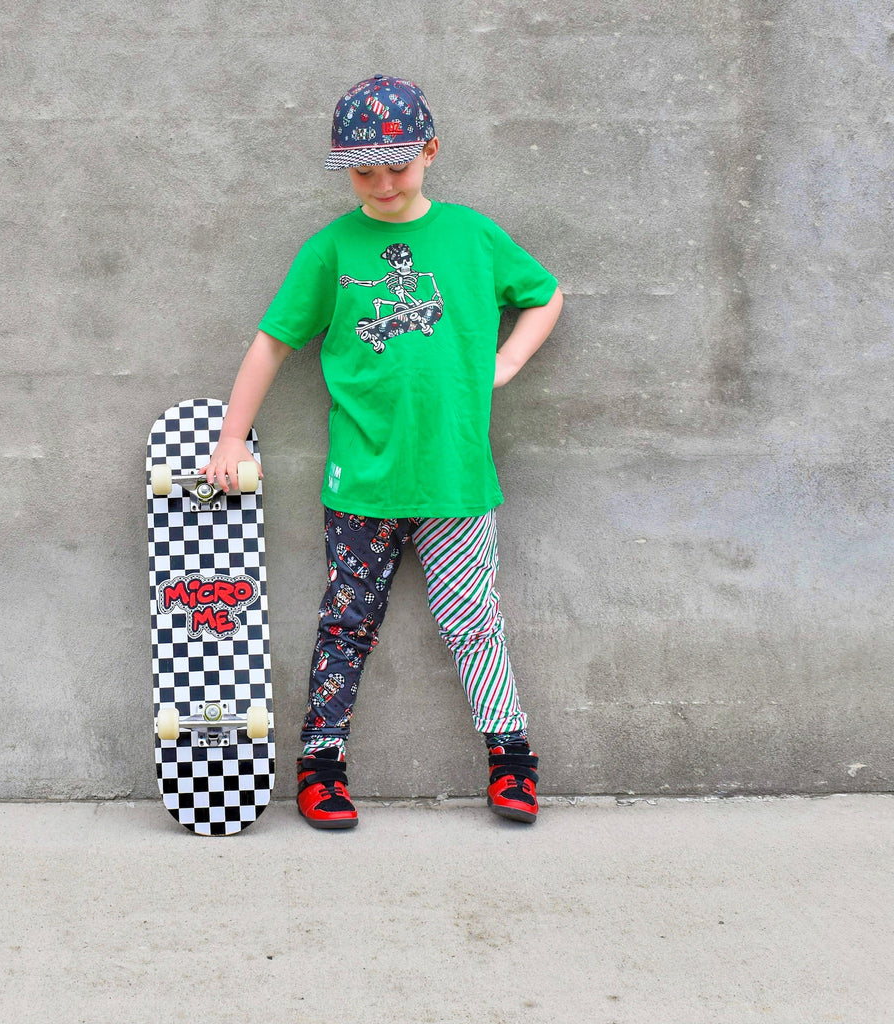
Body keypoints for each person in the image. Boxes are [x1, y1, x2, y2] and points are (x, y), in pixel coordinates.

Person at [201, 74, 563, 829]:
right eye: (364, 171)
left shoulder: (472, 237)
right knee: (346, 623)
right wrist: (232, 436)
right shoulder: (332, 250)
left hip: (456, 478)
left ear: (430, 151)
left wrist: (506, 363)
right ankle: (320, 766)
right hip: (362, 479)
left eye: (397, 165)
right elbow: (272, 342)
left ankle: (511, 761)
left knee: (475, 624)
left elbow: (544, 294)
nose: (383, 183)